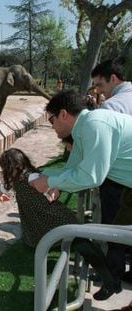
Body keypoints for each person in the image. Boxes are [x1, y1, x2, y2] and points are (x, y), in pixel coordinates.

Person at [30, 89, 132, 300]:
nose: (52, 126)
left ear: (64, 114)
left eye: (52, 119)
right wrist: (46, 178)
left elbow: (91, 176)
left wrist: (49, 181)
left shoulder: (95, 125)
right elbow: (73, 169)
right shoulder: (83, 129)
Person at [0, 148, 121, 300]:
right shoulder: (14, 180)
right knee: (82, 245)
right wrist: (3, 194)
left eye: (5, 168)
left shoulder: (32, 177)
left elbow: (51, 186)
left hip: (56, 218)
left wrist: (52, 191)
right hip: (45, 220)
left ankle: (110, 281)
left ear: (12, 167)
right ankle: (108, 278)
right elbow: (2, 190)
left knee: (84, 246)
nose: (4, 171)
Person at [92, 57, 132, 284]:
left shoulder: (112, 106)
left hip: (118, 177)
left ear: (113, 79)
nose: (98, 90)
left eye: (100, 84)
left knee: (114, 225)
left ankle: (112, 273)